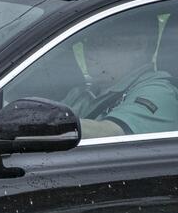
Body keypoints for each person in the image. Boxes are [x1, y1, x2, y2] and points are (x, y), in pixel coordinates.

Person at [60, 9, 178, 138]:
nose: (89, 52)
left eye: (100, 43)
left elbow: (111, 134)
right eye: (88, 43)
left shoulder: (158, 92)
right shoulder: (82, 92)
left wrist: (49, 124)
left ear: (138, 45)